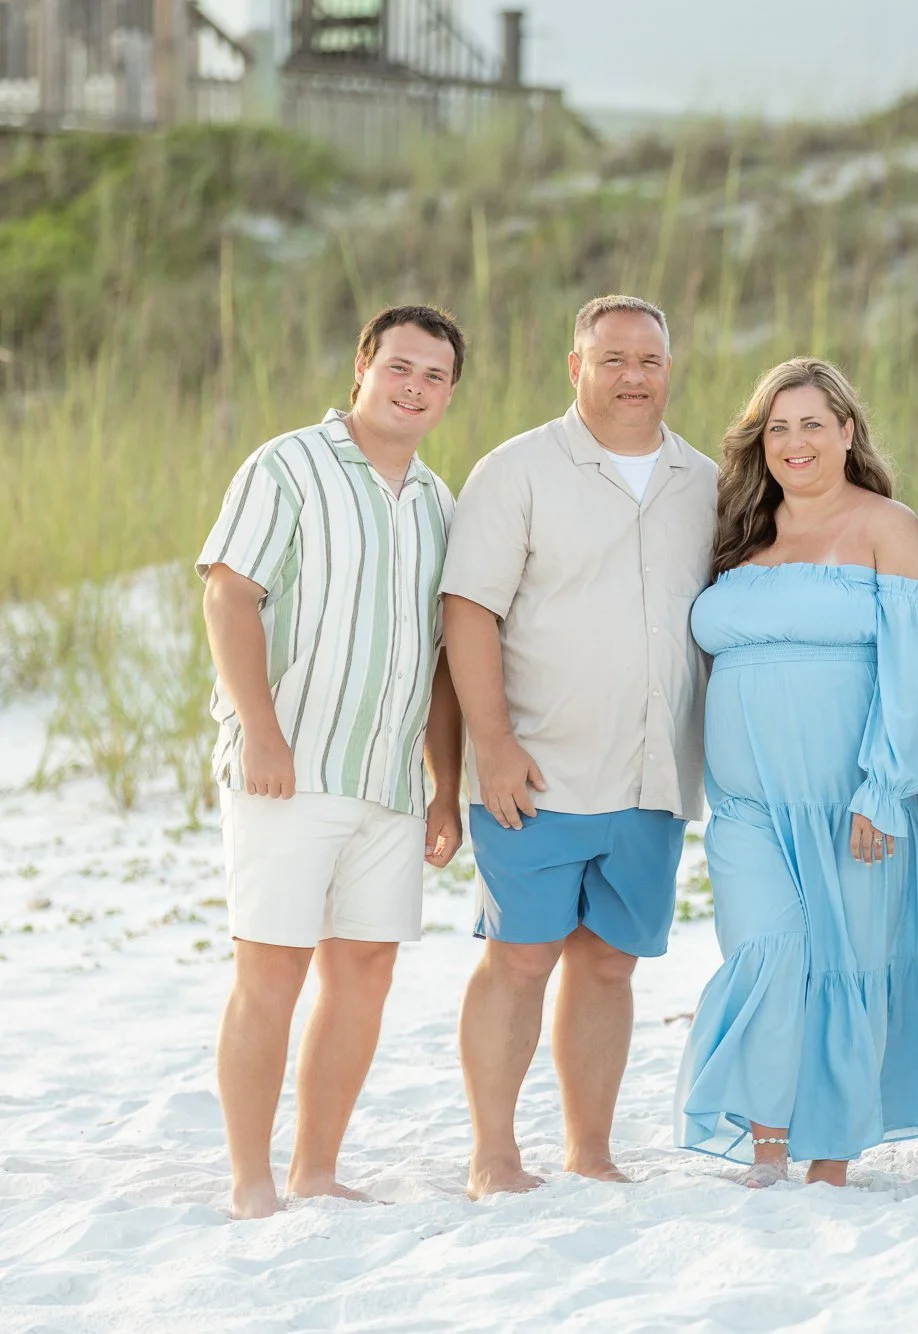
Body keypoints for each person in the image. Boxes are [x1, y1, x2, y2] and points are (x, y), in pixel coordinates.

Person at [441, 295, 717, 1198]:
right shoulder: (516, 471)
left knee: (610, 963)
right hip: (540, 767)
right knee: (521, 956)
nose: (633, 376)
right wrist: (493, 744)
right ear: (576, 367)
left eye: (649, 359)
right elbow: (469, 610)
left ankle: (589, 1151)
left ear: (669, 367)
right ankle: (493, 1153)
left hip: (652, 773)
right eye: (613, 360)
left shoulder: (704, 482)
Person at [199, 304, 467, 1220]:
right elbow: (231, 596)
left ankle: (316, 1167)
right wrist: (260, 729)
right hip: (288, 769)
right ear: (363, 365)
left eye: (434, 376)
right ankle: (250, 1181)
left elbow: (438, 660)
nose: (415, 387)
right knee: (269, 972)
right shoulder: (288, 465)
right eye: (400, 367)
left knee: (364, 973)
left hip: (387, 787)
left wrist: (444, 786)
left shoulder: (439, 500)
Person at [674, 357, 918, 1187]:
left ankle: (826, 1156)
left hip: (853, 801)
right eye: (778, 427)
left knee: (845, 964)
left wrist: (887, 789)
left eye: (812, 425)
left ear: (847, 433)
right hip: (749, 806)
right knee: (767, 953)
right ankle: (767, 1146)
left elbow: (916, 671)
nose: (795, 443)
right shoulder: (738, 534)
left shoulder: (887, 527)